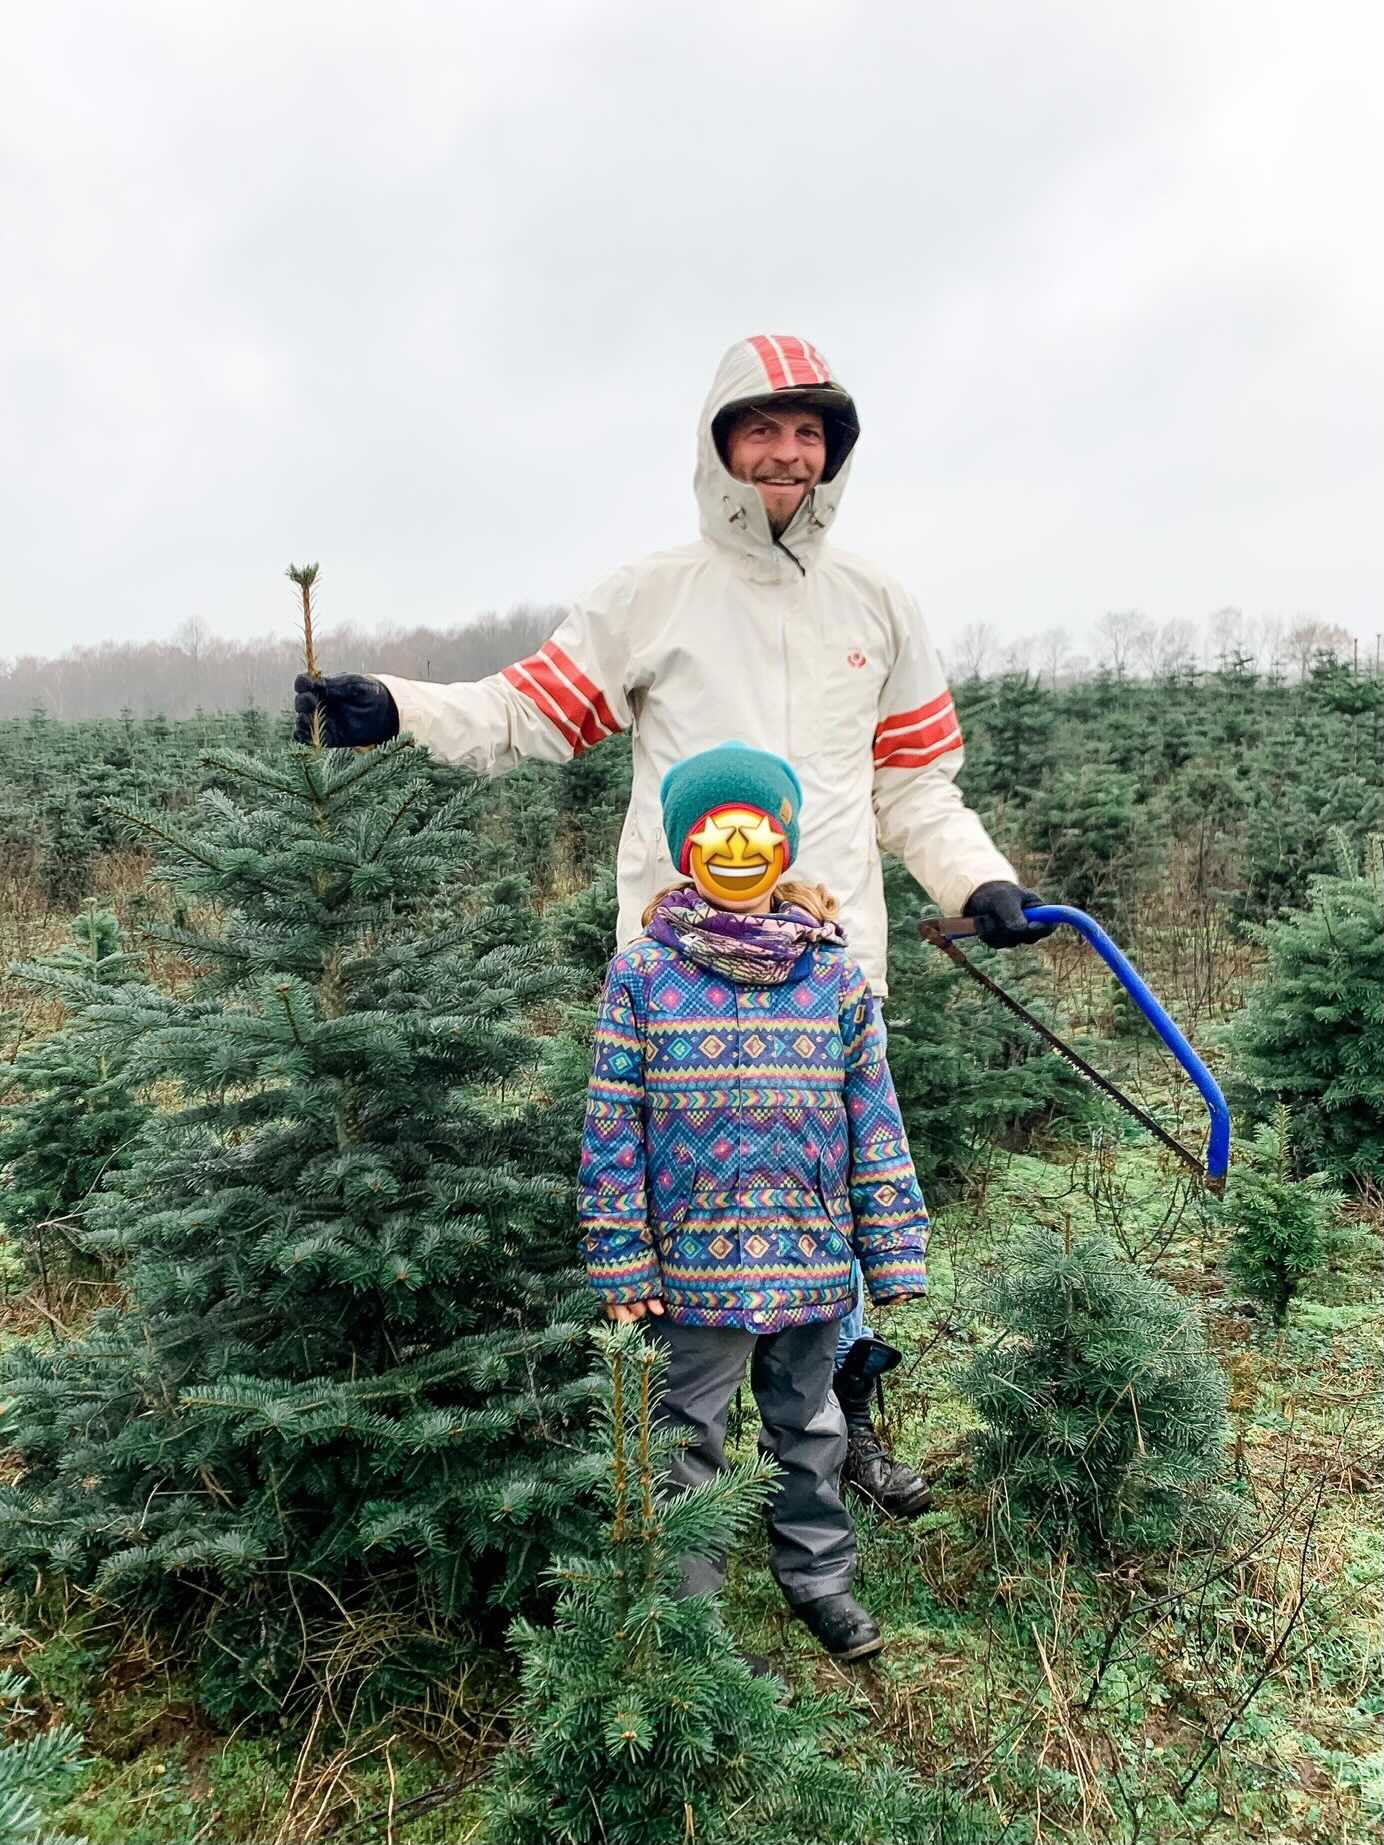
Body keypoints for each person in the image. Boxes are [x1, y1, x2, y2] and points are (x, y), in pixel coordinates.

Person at [294, 332, 1053, 1516]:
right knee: (684, 1196)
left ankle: (842, 1427)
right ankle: (681, 1466)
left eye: (809, 433)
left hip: (828, 962)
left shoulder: (879, 603)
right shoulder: (651, 593)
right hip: (683, 967)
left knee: (829, 1190)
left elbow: (915, 783)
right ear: (720, 448)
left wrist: (977, 882)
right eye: (762, 430)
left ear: (833, 455)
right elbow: (528, 714)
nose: (786, 453)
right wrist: (394, 704)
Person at [580, 741, 928, 1661]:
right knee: (686, 1434)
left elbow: (875, 1119)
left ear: (784, 843)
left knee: (808, 1424)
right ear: (687, 849)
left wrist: (890, 1248)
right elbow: (613, 1124)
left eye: (757, 834)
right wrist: (621, 1254)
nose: (738, 853)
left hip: (811, 1252)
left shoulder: (833, 976)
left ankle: (820, 1579)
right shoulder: (643, 976)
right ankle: (691, 1615)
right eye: (714, 836)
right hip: (692, 1262)